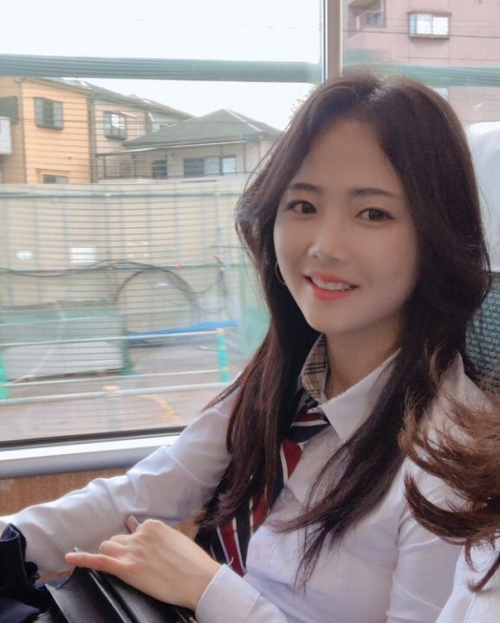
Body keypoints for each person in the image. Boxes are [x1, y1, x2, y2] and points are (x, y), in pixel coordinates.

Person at [0, 73, 492, 623]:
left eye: (373, 213)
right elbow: (148, 490)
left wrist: (209, 588)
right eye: (303, 205)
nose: (324, 246)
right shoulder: (288, 379)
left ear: (436, 235)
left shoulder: (451, 466)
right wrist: (9, 543)